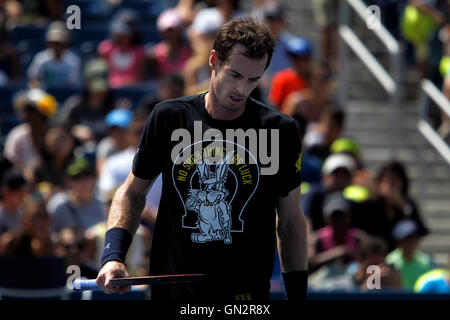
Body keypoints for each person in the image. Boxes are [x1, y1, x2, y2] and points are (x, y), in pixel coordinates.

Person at [96, 18, 308, 301]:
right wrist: (113, 255)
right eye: (235, 75)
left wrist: (297, 295)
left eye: (253, 80)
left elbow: (291, 221)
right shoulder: (169, 116)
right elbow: (132, 193)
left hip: (245, 297)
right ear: (213, 60)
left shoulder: (280, 130)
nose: (242, 90)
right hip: (174, 294)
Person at [57, 58, 115, 143]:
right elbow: (57, 126)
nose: (99, 92)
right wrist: (73, 129)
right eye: (96, 88)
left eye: (102, 88)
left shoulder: (113, 107)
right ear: (87, 84)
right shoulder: (75, 104)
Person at [4, 88, 58, 172]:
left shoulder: (52, 136)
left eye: (31, 110)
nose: (27, 114)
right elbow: (10, 162)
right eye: (25, 110)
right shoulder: (17, 135)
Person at [47, 158, 104, 233]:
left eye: (87, 175)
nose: (83, 182)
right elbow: (47, 235)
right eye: (76, 177)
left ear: (94, 177)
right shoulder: (57, 204)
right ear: (68, 181)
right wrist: (61, 239)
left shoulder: (103, 205)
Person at [98, 9, 147, 88]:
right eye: (119, 33)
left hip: (133, 90)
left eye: (126, 33)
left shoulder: (140, 52)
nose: (121, 36)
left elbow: (142, 77)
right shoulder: (106, 48)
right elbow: (102, 75)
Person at [27, 20, 81, 89]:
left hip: (65, 96)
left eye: (58, 43)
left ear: (65, 44)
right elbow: (32, 78)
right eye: (53, 43)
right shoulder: (40, 58)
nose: (55, 46)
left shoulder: (73, 61)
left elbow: (73, 86)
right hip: (43, 95)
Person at [385, 219, 434, 291]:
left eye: (414, 240)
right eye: (406, 240)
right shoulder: (390, 261)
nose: (411, 244)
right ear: (398, 242)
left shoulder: (426, 261)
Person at [268, 36, 312, 111]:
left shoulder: (316, 78)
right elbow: (275, 106)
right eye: (295, 57)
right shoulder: (282, 79)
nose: (299, 61)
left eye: (304, 58)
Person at [147, 8, 191, 80]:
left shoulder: (189, 51)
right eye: (168, 30)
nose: (171, 34)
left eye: (174, 30)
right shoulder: (155, 54)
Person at [0, 170, 27, 236]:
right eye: (19, 192)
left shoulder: (24, 214)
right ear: (6, 192)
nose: (23, 196)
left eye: (23, 192)